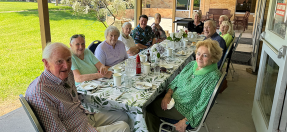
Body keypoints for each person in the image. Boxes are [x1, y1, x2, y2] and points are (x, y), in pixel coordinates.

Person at [25, 42, 130, 132]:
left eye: (68, 60)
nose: (66, 66)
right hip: (76, 129)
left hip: (84, 117)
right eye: (59, 61)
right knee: (124, 127)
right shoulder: (40, 93)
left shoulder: (68, 74)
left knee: (125, 116)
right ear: (46, 63)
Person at [145, 39, 223, 132]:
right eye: (198, 54)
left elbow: (202, 105)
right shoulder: (192, 65)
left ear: (213, 58)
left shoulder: (212, 77)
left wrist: (186, 121)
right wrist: (168, 94)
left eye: (205, 55)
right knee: (154, 97)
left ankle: (158, 126)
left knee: (147, 108)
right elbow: (176, 80)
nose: (200, 57)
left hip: (185, 111)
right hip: (174, 99)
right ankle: (162, 127)